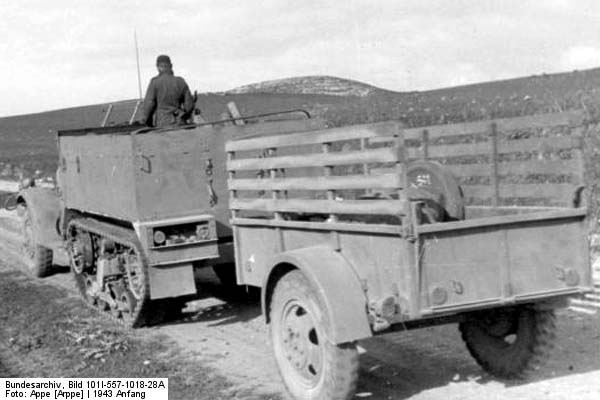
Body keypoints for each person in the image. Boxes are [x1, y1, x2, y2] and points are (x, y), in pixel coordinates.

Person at [142, 55, 194, 128]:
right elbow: (189, 106)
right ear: (171, 66)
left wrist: (148, 122)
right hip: (180, 123)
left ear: (157, 67)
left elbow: (148, 105)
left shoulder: (155, 82)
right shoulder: (181, 81)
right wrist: (184, 116)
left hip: (163, 124)